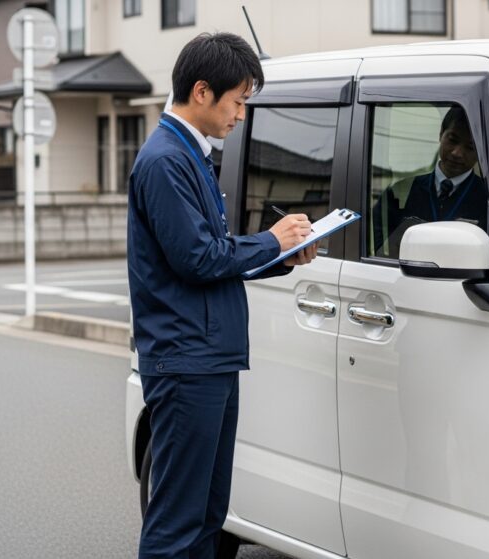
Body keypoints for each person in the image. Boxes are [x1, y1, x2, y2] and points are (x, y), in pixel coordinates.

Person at [126, 32, 316, 559]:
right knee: (179, 520)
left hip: (206, 356)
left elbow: (214, 254)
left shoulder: (188, 154)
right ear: (203, 92)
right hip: (188, 360)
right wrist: (272, 241)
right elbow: (199, 257)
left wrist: (279, 256)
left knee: (209, 514)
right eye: (238, 101)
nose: (241, 115)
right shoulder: (167, 160)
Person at [372, 105, 489, 256]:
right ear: (441, 134)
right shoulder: (399, 193)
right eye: (452, 140)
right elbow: (381, 255)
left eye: (470, 147)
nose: (457, 153)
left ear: (481, 150)